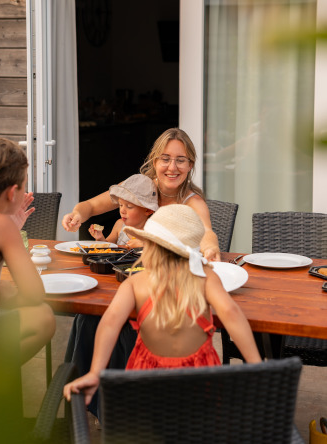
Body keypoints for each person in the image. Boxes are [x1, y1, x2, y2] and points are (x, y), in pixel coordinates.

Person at [64, 204, 261, 406]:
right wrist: (256, 365)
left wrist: (96, 372)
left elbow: (109, 324)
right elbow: (231, 313)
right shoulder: (205, 278)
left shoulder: (135, 283)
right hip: (198, 380)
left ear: (151, 246)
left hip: (147, 382)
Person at [64, 174, 159, 416]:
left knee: (121, 330)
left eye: (129, 207)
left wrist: (145, 245)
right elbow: (109, 247)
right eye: (121, 206)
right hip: (116, 285)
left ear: (148, 210)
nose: (123, 212)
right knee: (86, 317)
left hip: (140, 293)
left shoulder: (154, 232)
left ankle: (114, 402)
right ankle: (85, 390)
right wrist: (100, 240)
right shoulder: (119, 226)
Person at [62, 128, 221, 261]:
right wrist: (76, 214)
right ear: (155, 162)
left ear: (190, 165)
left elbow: (206, 233)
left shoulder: (192, 202)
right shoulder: (138, 188)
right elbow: (90, 206)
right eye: (165, 159)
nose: (172, 168)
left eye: (180, 160)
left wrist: (211, 248)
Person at [0, 138, 56, 365]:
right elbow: (34, 294)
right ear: (12, 193)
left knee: (5, 289)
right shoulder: (1, 225)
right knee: (43, 317)